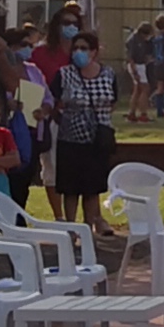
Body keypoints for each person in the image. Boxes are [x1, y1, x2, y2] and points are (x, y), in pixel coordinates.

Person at [45, 28, 123, 235]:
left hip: (97, 140)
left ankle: (89, 228)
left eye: (84, 48)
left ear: (94, 51)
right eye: (76, 48)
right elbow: (53, 101)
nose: (79, 52)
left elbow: (113, 100)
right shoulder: (64, 74)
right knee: (70, 189)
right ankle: (71, 229)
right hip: (70, 139)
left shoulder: (108, 74)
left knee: (92, 189)